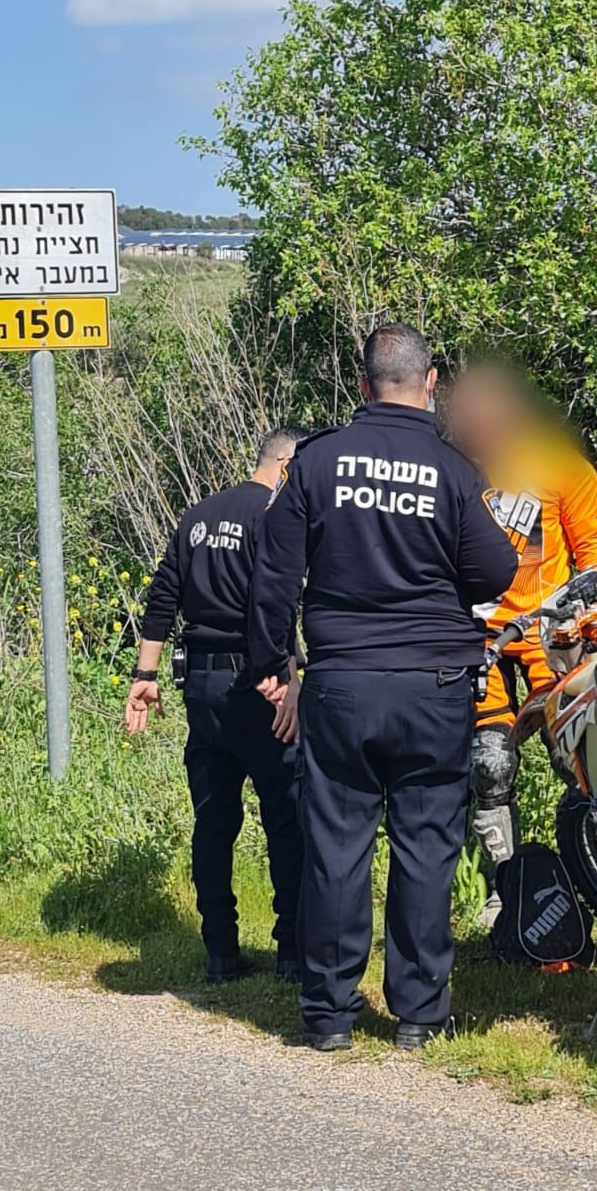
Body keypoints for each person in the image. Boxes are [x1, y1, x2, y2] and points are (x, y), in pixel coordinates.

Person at [249, 324, 517, 1052]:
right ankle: (419, 1014)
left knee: (336, 846)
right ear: (430, 384)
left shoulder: (316, 461)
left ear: (363, 384)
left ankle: (329, 1014)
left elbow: (273, 574)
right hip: (435, 686)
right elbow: (495, 572)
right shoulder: (453, 469)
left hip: (342, 682)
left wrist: (275, 664)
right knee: (426, 846)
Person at [125, 427, 308, 985]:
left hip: (201, 685)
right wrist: (287, 676)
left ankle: (220, 952)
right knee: (285, 817)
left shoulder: (198, 515)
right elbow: (272, 604)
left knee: (213, 820)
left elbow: (163, 595)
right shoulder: (272, 516)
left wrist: (145, 675)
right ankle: (292, 952)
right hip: (258, 684)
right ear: (286, 464)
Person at [446, 364, 597, 915]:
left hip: (549, 631)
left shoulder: (562, 466)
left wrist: (596, 634)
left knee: (577, 759)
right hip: (478, 635)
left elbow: (595, 555)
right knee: (490, 765)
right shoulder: (450, 469)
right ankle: (507, 888)